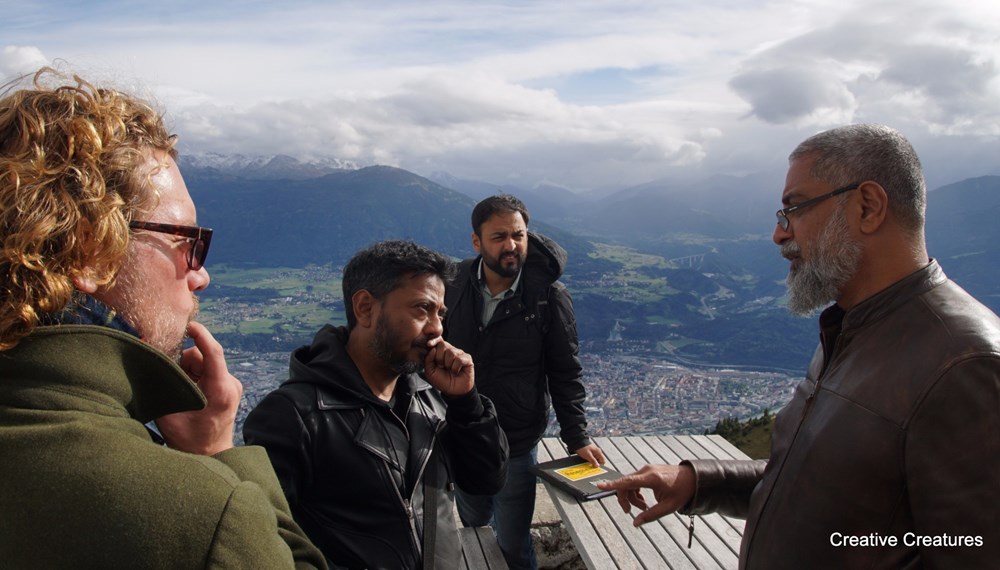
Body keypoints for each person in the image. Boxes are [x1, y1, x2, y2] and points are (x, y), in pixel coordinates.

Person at [598, 124, 1000, 569]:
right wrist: (698, 481)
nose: (778, 233)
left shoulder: (965, 364)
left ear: (867, 206)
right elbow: (816, 484)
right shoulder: (852, 327)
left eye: (795, 209)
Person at [0, 68, 326, 568]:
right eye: (188, 244)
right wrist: (219, 456)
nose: (201, 276)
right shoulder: (202, 514)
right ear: (91, 252)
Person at [243, 240, 509, 569]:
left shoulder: (431, 398)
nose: (437, 328)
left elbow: (485, 481)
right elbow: (265, 543)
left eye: (440, 313)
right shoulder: (294, 417)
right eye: (421, 309)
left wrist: (467, 403)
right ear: (365, 308)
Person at [444, 194, 604, 570]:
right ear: (476, 242)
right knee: (472, 530)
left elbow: (564, 371)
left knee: (514, 544)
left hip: (514, 439)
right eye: (499, 237)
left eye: (518, 235)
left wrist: (577, 435)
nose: (511, 245)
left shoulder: (547, 297)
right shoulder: (453, 285)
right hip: (461, 433)